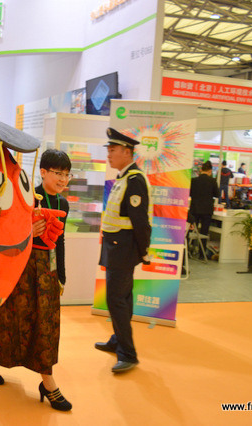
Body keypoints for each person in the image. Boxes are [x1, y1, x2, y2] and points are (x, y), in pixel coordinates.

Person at [0, 149, 71, 410]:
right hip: (21, 266)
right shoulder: (26, 197)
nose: (63, 179)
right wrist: (29, 231)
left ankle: (48, 383)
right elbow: (3, 232)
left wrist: (61, 276)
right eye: (58, 173)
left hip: (48, 270)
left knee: (46, 325)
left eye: (67, 174)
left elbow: (60, 242)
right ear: (43, 172)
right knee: (15, 321)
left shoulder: (63, 204)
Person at [95, 128, 152, 374]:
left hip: (124, 248)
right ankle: (118, 340)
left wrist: (144, 250)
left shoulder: (134, 180)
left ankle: (128, 353)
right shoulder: (124, 177)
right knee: (122, 298)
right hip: (117, 247)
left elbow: (141, 222)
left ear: (127, 152)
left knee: (116, 300)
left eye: (113, 150)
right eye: (108, 150)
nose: (109, 154)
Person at [189, 160, 220, 237]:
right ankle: (202, 244)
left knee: (192, 230)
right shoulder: (212, 181)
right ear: (210, 171)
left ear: (201, 170)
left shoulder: (194, 180)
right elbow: (217, 194)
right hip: (207, 210)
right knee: (204, 232)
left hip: (195, 208)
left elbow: (190, 193)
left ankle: (191, 244)